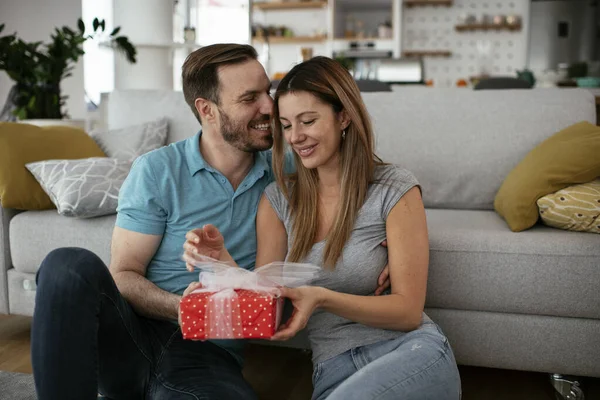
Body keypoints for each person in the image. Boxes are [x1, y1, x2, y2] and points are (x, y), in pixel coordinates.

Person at [30, 44, 390, 399]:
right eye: (250, 98)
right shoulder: (157, 170)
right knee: (67, 266)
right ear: (208, 110)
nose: (270, 106)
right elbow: (124, 273)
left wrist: (384, 234)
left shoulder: (289, 166)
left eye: (268, 90)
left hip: (206, 354)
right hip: (129, 335)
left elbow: (363, 173)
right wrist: (183, 307)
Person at [184, 56, 462, 400]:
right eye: (285, 125)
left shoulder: (393, 187)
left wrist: (322, 298)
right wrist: (221, 268)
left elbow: (407, 312)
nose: (296, 137)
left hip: (409, 352)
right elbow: (268, 302)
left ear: (343, 116)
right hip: (333, 371)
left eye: (308, 121)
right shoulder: (279, 199)